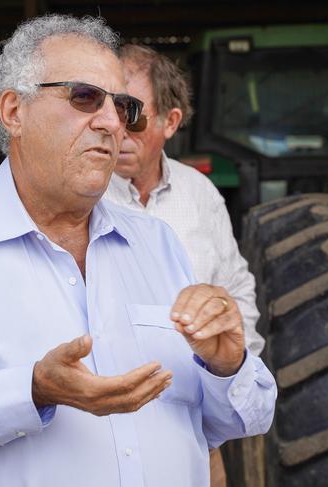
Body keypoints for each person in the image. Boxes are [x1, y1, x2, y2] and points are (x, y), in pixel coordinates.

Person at [0, 15, 276, 487]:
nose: (111, 123)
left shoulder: (156, 242)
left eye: (122, 106)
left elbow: (234, 421)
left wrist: (227, 366)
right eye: (84, 97)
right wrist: (30, 391)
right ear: (13, 111)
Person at [104, 44, 266, 486]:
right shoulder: (82, 199)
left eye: (133, 115)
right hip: (106, 431)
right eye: (107, 109)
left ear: (170, 122)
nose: (115, 128)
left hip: (197, 430)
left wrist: (231, 380)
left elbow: (235, 288)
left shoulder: (199, 194)